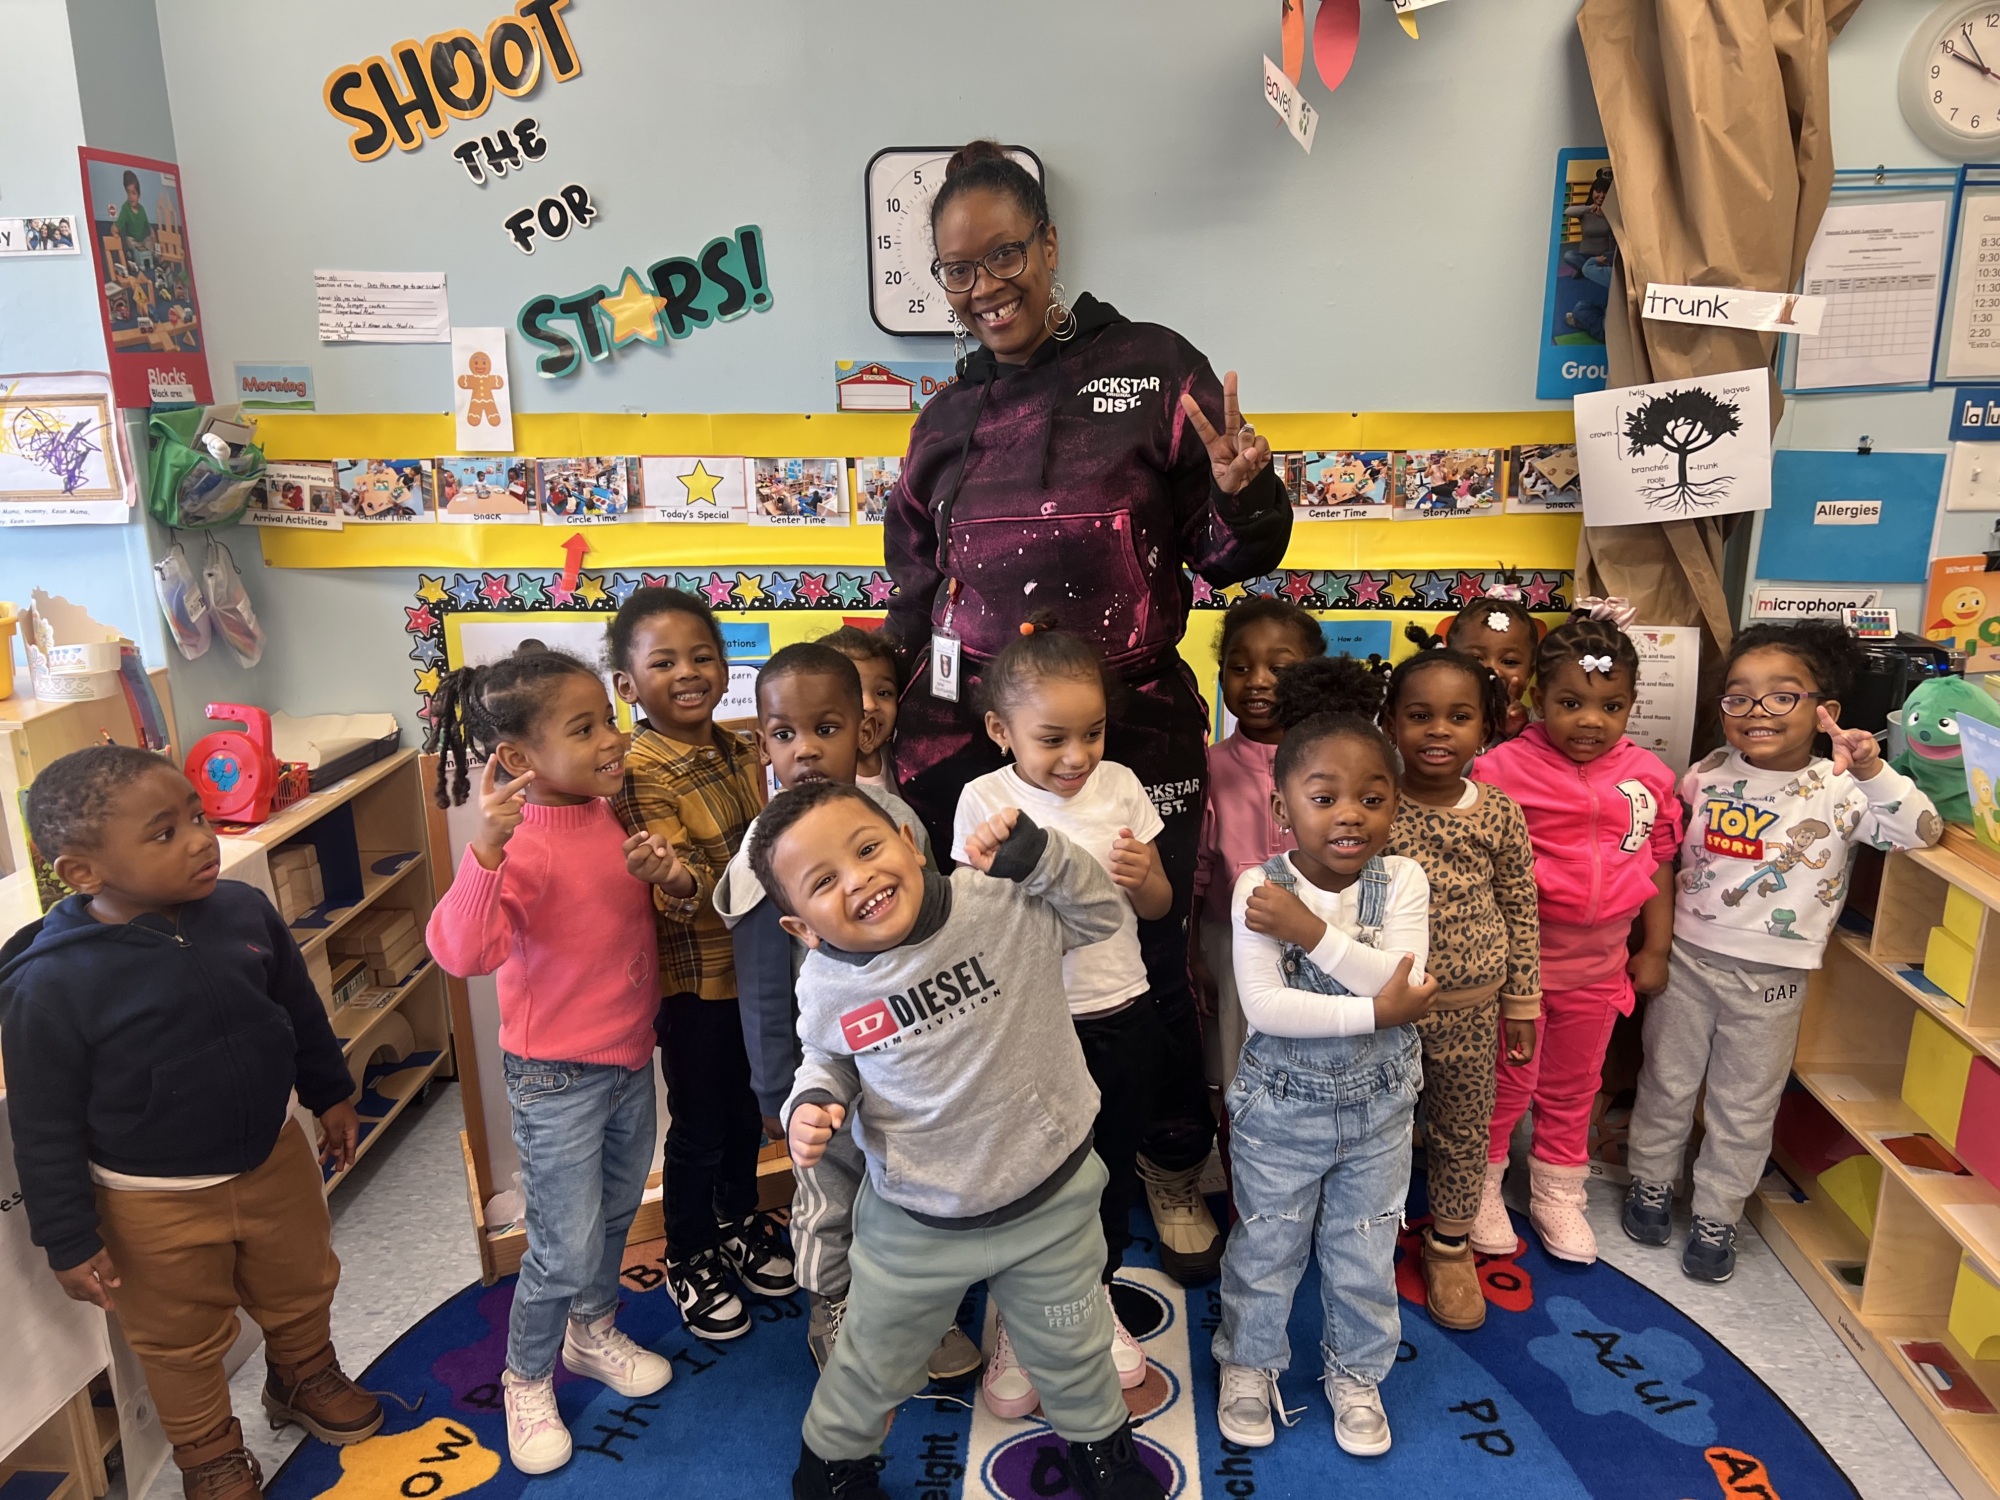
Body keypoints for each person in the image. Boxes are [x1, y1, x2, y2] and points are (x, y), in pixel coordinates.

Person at [884, 139, 1293, 1282]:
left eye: (1002, 253)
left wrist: (1244, 493)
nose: (982, 286)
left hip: (1133, 731)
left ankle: (1167, 1166)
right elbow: (914, 596)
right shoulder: (944, 419)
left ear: (1048, 246)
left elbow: (1229, 558)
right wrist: (891, 737)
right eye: (957, 270)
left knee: (1143, 957)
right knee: (990, 966)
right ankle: (1012, 1172)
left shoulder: (1153, 370)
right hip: (969, 740)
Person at [760, 784, 1164, 1500]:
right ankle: (829, 1469)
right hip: (914, 1222)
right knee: (871, 1362)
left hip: (1050, 1200)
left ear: (911, 844)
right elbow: (827, 1059)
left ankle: (1104, 1456)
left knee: (1074, 1351)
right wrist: (813, 1103)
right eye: (825, 881)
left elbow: (1103, 913)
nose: (859, 879)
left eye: (868, 847)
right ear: (802, 927)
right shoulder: (827, 984)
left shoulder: (1003, 904)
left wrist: (1042, 856)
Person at [0, 746, 381, 1500]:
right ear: (83, 872)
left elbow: (298, 1012)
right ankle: (208, 1454)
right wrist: (68, 1240)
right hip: (152, 1202)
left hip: (274, 1159)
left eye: (198, 817)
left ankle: (302, 1377)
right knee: (179, 1343)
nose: (202, 839)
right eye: (164, 832)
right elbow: (42, 1127)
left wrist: (331, 1091)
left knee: (302, 1284)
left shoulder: (241, 910)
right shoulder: (52, 983)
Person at [1623, 622, 1943, 1282]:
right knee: (1666, 1083)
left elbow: (1922, 832)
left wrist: (1876, 766)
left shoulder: (1841, 786)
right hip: (1688, 959)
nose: (1757, 712)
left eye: (1781, 696)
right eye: (1738, 697)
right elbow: (1668, 854)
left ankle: (1718, 1214)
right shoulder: (1705, 775)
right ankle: (1650, 1184)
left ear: (1823, 705)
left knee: (1745, 1105)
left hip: (1774, 980)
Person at [423, 649, 674, 1474]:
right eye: (587, 727)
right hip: (556, 1078)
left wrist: (662, 874)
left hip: (629, 1060)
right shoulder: (519, 843)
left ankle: (591, 1334)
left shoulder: (608, 812)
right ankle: (525, 1377)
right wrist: (485, 853)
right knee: (559, 1247)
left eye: (608, 717)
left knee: (612, 1217)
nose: (612, 737)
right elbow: (460, 952)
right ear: (521, 758)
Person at [711, 644, 980, 1383]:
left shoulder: (898, 822)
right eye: (783, 733)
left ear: (863, 731)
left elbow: (936, 936)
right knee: (834, 1196)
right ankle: (834, 1301)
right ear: (761, 741)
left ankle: (922, 1309)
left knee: (915, 1188)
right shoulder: (768, 849)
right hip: (822, 1069)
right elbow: (763, 977)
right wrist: (775, 1088)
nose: (804, 751)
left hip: (908, 1059)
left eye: (824, 728)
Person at [1211, 657, 1438, 1457]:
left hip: (1381, 1112)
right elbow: (1269, 1009)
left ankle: (1356, 1372)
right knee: (1268, 1243)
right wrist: (1381, 1009)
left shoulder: (1403, 879)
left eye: (1373, 799)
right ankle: (1247, 1363)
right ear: (1282, 806)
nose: (1351, 815)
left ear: (1394, 804)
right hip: (1279, 1109)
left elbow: (1404, 980)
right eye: (1325, 797)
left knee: (1365, 1249)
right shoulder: (1254, 887)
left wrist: (1310, 935)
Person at [952, 618, 1168, 1410]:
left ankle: (1094, 1295)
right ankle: (1016, 1312)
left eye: (1094, 733)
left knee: (1104, 1174)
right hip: (1027, 1029)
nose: (1077, 756)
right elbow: (968, 922)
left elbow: (1158, 907)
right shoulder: (985, 798)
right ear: (1000, 732)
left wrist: (1146, 876)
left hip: (1119, 1012)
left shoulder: (1123, 789)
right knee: (1029, 1182)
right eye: (1053, 739)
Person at [606, 588, 793, 1341]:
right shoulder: (640, 766)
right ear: (628, 686)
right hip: (698, 982)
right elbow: (678, 885)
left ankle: (737, 1218)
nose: (689, 673)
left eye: (703, 656)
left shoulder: (737, 746)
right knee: (701, 1123)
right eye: (664, 662)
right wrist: (677, 880)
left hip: (757, 972)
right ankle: (688, 1252)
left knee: (749, 1108)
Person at [1469, 603, 1682, 1265]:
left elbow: (1661, 859)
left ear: (1631, 705)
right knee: (1503, 1085)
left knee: (1573, 1088)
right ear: (1537, 697)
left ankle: (1559, 1192)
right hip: (1517, 972)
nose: (1591, 721)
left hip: (1599, 970)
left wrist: (1656, 946)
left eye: (1611, 707)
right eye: (1570, 702)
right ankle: (1480, 1186)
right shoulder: (1501, 769)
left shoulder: (1649, 776)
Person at [1381, 636, 1540, 1330]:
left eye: (1457, 716)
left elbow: (1521, 905)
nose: (1438, 731)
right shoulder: (1376, 804)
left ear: (1489, 724)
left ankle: (1448, 1245)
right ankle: (1370, 1236)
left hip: (1473, 1013)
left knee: (1461, 1132)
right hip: (1386, 1011)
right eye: (1419, 715)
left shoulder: (1499, 811)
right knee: (1379, 1130)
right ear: (1390, 722)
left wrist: (1523, 1001)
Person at [1190, 598, 1326, 1091]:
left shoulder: (1334, 757)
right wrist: (1195, 955)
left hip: (1323, 938)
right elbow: (1199, 869)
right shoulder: (1208, 765)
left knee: (1315, 1066)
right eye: (1240, 667)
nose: (1258, 680)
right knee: (1238, 1069)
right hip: (1230, 943)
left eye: (1279, 667)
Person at [1438, 592, 1540, 740]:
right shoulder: (1433, 719)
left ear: (1529, 675)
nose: (1493, 671)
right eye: (1475, 658)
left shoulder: (1540, 726)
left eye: (1509, 661)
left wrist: (1522, 733)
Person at [817, 625, 903, 790]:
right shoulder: (817, 774)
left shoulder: (902, 759)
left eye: (883, 693)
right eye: (853, 691)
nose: (870, 706)